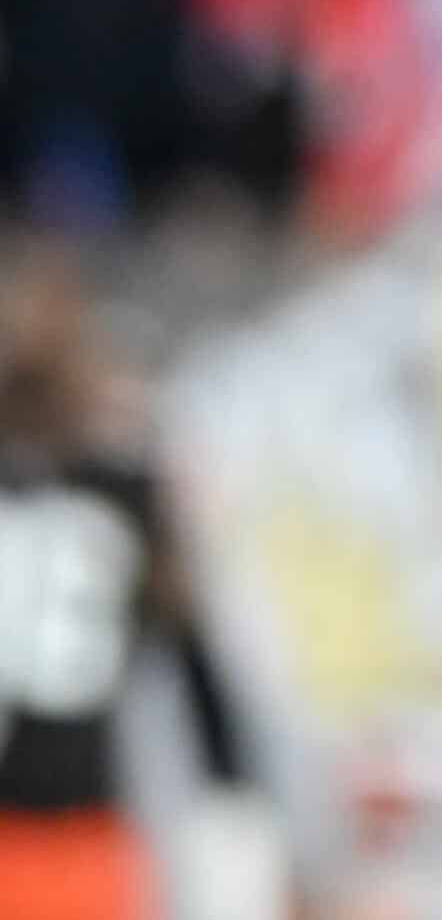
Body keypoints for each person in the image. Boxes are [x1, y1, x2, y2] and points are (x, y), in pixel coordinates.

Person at [0, 238, 254, 920]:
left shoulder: (120, 485)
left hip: (69, 831)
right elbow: (189, 649)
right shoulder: (124, 489)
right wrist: (230, 789)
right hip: (84, 832)